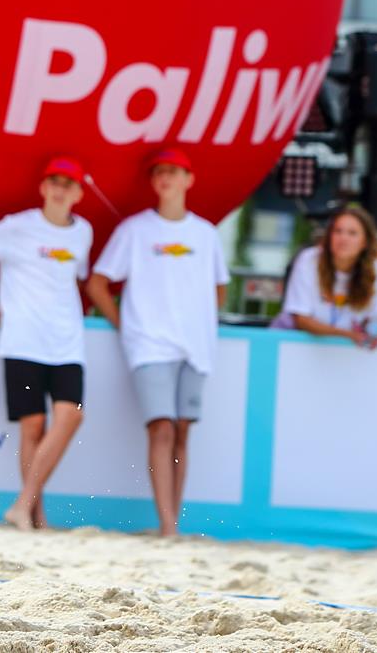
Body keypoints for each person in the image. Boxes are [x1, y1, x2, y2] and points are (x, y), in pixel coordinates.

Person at [86, 148, 229, 537]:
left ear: (189, 179)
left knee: (182, 431)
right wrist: (126, 326)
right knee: (161, 428)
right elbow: (97, 283)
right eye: (159, 172)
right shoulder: (135, 230)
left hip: (195, 347)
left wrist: (198, 321)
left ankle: (173, 522)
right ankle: (167, 525)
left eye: (173, 171)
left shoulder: (205, 233)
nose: (165, 178)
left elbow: (219, 289)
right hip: (149, 345)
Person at [0, 156, 92, 531]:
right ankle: (34, 514)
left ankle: (22, 504)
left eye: (68, 184)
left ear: (79, 193)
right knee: (33, 426)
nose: (60, 189)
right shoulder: (18, 226)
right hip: (22, 339)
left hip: (68, 342)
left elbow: (76, 277)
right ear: (43, 188)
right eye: (55, 182)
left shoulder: (84, 232)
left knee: (71, 416)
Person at [271, 206, 377, 347]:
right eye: (337, 231)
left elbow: (375, 318)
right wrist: (347, 335)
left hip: (340, 348)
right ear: (329, 237)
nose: (343, 238)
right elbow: (301, 319)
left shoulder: (376, 269)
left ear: (365, 242)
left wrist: (370, 334)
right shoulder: (309, 260)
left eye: (352, 233)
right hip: (292, 342)